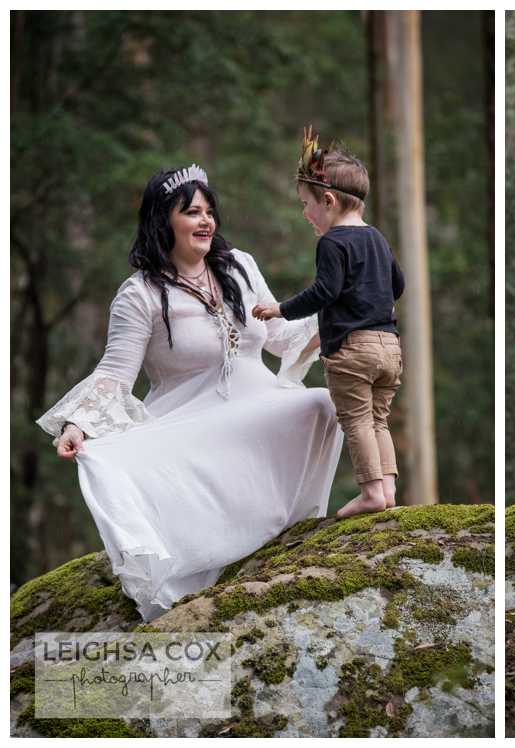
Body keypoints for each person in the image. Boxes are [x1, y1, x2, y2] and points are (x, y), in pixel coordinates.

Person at [38, 165, 344, 621]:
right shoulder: (138, 294)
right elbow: (116, 372)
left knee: (321, 402)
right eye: (192, 212)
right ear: (164, 221)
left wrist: (343, 313)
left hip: (258, 406)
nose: (206, 221)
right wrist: (78, 422)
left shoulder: (240, 266)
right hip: (190, 425)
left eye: (209, 211)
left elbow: (280, 336)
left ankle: (285, 527)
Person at [253, 129, 404, 519]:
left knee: (355, 419)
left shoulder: (332, 243)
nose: (305, 214)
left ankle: (371, 491)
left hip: (352, 349)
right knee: (378, 418)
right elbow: (398, 283)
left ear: (329, 200)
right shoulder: (378, 239)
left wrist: (281, 310)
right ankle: (387, 488)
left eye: (307, 205)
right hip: (389, 346)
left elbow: (324, 291)